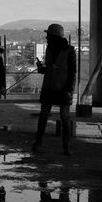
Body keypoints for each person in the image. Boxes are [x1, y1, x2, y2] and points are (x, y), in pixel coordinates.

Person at [32, 23, 77, 156]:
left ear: (55, 36)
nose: (47, 38)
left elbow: (72, 72)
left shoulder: (69, 51)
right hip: (49, 87)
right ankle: (39, 142)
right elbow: (51, 69)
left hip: (62, 88)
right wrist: (42, 69)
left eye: (48, 36)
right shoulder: (49, 49)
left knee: (64, 117)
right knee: (45, 116)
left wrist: (69, 89)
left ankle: (66, 146)